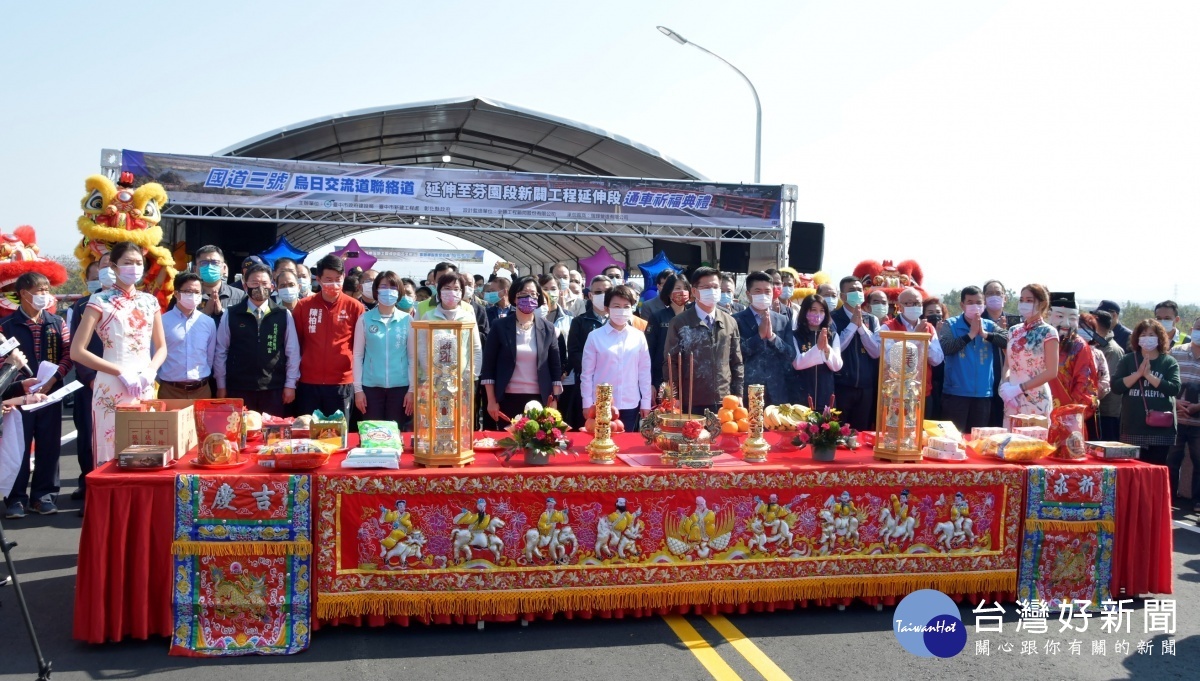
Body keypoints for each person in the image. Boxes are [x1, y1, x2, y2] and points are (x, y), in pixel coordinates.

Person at [70, 241, 168, 466]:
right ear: (113, 267)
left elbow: (161, 347)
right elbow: (77, 351)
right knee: (110, 448)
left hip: (143, 383)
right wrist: (120, 371)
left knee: (144, 447)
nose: (134, 267)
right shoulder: (99, 300)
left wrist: (150, 372)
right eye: (127, 263)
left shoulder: (149, 301)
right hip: (111, 383)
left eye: (138, 263)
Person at [0, 272, 73, 517]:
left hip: (49, 394)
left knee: (49, 446)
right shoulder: (6, 326)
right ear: (23, 294)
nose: (44, 295)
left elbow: (67, 355)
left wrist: (52, 380)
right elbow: (2, 363)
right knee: (17, 446)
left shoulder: (56, 322)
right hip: (19, 397)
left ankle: (44, 496)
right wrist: (21, 386)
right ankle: (15, 498)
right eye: (39, 291)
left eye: (46, 290)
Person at [213, 264, 300, 415]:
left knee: (272, 434)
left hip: (273, 388)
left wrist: (290, 385)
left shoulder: (282, 314)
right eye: (255, 283)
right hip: (239, 387)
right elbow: (221, 351)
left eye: (265, 283)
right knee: (241, 432)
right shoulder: (231, 314)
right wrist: (221, 385)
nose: (260, 287)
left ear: (272, 286)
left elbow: (292, 352)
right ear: (246, 286)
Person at [481, 276, 562, 428]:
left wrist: (554, 401)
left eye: (533, 294)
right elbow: (488, 367)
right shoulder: (499, 326)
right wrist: (491, 401)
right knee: (510, 445)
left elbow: (555, 368)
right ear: (514, 297)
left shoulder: (548, 329)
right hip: (507, 399)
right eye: (523, 293)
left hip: (540, 399)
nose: (529, 298)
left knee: (535, 445)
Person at [663, 267, 743, 415]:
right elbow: (671, 362)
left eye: (715, 287)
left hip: (723, 400)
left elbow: (736, 361)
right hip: (691, 400)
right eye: (706, 287)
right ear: (694, 291)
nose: (712, 291)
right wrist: (674, 396)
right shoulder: (679, 322)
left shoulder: (730, 321)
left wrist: (738, 393)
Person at [293, 254, 364, 418]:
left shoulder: (355, 307)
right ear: (318, 279)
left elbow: (358, 346)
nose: (334, 284)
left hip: (341, 383)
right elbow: (297, 342)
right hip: (308, 383)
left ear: (344, 277)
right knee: (307, 435)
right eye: (328, 279)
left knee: (338, 436)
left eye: (338, 279)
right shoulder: (304, 306)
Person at [66, 254, 109, 502]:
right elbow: (76, 348)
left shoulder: (135, 303)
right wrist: (91, 379)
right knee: (87, 437)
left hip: (121, 384)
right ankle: (87, 484)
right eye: (102, 268)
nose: (108, 272)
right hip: (89, 384)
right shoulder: (82, 306)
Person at [580, 285, 652, 432]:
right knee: (602, 442)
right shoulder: (595, 337)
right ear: (607, 308)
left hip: (630, 402)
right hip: (601, 404)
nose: (622, 310)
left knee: (625, 444)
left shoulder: (638, 336)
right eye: (617, 306)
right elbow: (586, 374)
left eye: (626, 306)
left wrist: (646, 402)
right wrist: (587, 403)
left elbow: (644, 371)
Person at [938, 286, 1009, 433]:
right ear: (962, 305)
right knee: (954, 439)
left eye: (978, 302)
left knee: (977, 440)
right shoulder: (950, 325)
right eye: (970, 302)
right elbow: (946, 347)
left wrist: (984, 334)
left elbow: (1008, 341)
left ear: (983, 305)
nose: (974, 306)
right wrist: (970, 335)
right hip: (956, 394)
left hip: (983, 394)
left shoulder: (989, 325)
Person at [1111, 320, 1180, 465]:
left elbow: (1174, 388)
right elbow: (1116, 387)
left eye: (1151, 334)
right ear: (1137, 338)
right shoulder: (1128, 360)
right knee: (1133, 471)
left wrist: (1149, 376)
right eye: (1143, 334)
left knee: (1156, 471)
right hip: (1132, 427)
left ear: (1159, 338)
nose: (1147, 338)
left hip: (1161, 430)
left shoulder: (1169, 362)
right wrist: (1138, 374)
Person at [352, 271, 412, 423]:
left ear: (399, 291)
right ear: (376, 290)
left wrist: (412, 390)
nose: (388, 291)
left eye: (393, 287)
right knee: (373, 434)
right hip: (371, 388)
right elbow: (358, 356)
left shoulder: (407, 320)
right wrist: (358, 390)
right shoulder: (365, 319)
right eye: (383, 286)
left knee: (397, 435)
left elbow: (412, 357)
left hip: (400, 387)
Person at [999, 284, 1059, 428]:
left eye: (1029, 300)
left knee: (1032, 445)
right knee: (1010, 442)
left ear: (1042, 303)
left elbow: (1051, 371)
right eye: (1022, 299)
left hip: (1035, 397)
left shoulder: (1048, 332)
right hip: (1012, 397)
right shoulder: (1013, 331)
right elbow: (1008, 364)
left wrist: (1020, 388)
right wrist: (1005, 385)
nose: (1024, 304)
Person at [734, 271, 796, 407]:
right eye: (758, 291)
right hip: (748, 392)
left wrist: (773, 338)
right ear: (748, 294)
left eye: (767, 291)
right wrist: (758, 337)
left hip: (777, 391)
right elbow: (734, 356)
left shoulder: (782, 320)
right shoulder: (736, 320)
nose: (763, 295)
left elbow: (791, 354)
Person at [882, 287, 945, 418]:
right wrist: (915, 338)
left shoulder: (928, 328)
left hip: (922, 392)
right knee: (896, 435)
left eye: (917, 303)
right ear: (899, 307)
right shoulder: (887, 327)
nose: (914, 306)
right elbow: (889, 359)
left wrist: (924, 340)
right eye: (909, 303)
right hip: (895, 394)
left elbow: (937, 359)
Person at [831, 275, 881, 431]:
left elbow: (876, 352)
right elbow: (837, 349)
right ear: (842, 296)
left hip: (866, 387)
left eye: (859, 290)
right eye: (852, 290)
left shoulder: (872, 320)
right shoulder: (833, 318)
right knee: (837, 432)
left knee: (860, 432)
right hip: (841, 385)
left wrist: (861, 328)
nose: (857, 293)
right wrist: (852, 326)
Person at [157, 272, 217, 400]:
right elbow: (154, 353)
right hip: (171, 391)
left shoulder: (208, 322)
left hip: (201, 390)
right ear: (176, 293)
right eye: (188, 291)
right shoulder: (162, 321)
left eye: (197, 292)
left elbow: (210, 357)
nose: (193, 295)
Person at [566, 275, 611, 427]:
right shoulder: (579, 322)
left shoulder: (622, 322)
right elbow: (574, 352)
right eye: (598, 292)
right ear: (590, 295)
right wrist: (593, 369)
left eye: (607, 291)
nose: (603, 295)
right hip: (588, 384)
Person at [1047, 292, 1100, 419]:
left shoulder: (1079, 346)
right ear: (1048, 315)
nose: (1066, 323)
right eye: (1059, 316)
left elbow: (1085, 383)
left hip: (1066, 413)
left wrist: (1070, 413)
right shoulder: (1038, 340)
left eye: (1072, 318)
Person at [1168, 317, 1200, 509]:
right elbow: (1164, 383)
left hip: (1198, 423)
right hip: (1175, 419)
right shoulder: (1176, 352)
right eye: (1198, 328)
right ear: (1191, 328)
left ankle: (1197, 501)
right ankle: (1168, 498)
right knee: (1171, 460)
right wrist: (1175, 402)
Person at [790, 294, 842, 409]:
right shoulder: (795, 335)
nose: (818, 314)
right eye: (813, 310)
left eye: (822, 310)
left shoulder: (832, 336)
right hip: (802, 392)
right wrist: (817, 348)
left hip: (826, 393)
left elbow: (837, 365)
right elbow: (797, 363)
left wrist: (826, 349)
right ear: (804, 312)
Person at [647, 273, 690, 390]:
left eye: (685, 288)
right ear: (669, 292)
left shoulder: (693, 317)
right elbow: (649, 350)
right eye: (677, 288)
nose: (682, 292)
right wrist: (650, 382)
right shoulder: (657, 317)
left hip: (689, 377)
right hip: (662, 378)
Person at [1088, 310, 1125, 440]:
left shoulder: (1112, 350)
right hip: (1093, 409)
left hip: (1106, 412)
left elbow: (1107, 382)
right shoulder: (1093, 345)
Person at [1077, 312, 1112, 439]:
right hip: (1065, 405)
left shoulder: (1097, 354)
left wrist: (1093, 396)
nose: (1083, 331)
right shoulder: (1063, 351)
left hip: (1089, 408)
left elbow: (1105, 380)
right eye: (1080, 327)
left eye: (1088, 328)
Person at [195, 245, 246, 321]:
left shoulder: (240, 296)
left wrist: (222, 312)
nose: (209, 267)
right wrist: (204, 312)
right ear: (195, 269)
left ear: (224, 268)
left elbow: (244, 324)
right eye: (204, 263)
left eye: (215, 262)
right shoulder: (186, 294)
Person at [922, 298, 949, 420]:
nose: (935, 315)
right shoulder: (921, 329)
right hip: (927, 381)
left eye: (938, 312)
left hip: (943, 380)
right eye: (930, 312)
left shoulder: (948, 329)